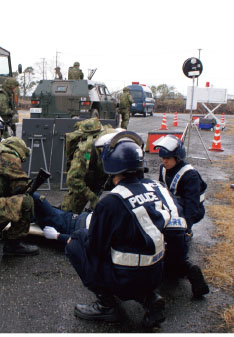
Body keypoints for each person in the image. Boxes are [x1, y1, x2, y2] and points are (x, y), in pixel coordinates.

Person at [64, 136, 176, 327]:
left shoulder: (111, 202)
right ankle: (149, 297)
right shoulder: (153, 187)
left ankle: (106, 305)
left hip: (126, 278)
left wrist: (76, 236)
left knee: (76, 244)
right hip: (156, 273)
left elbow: (95, 248)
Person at [154, 135, 210, 298]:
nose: (164, 162)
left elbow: (192, 205)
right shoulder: (163, 169)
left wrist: (186, 227)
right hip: (174, 208)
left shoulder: (190, 175)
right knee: (170, 261)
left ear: (177, 158)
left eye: (168, 159)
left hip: (189, 211)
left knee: (175, 251)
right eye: (163, 158)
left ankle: (186, 266)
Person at [61, 118, 117, 213]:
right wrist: (92, 197)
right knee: (68, 214)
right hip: (86, 182)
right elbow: (73, 180)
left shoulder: (115, 140)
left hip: (106, 178)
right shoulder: (84, 153)